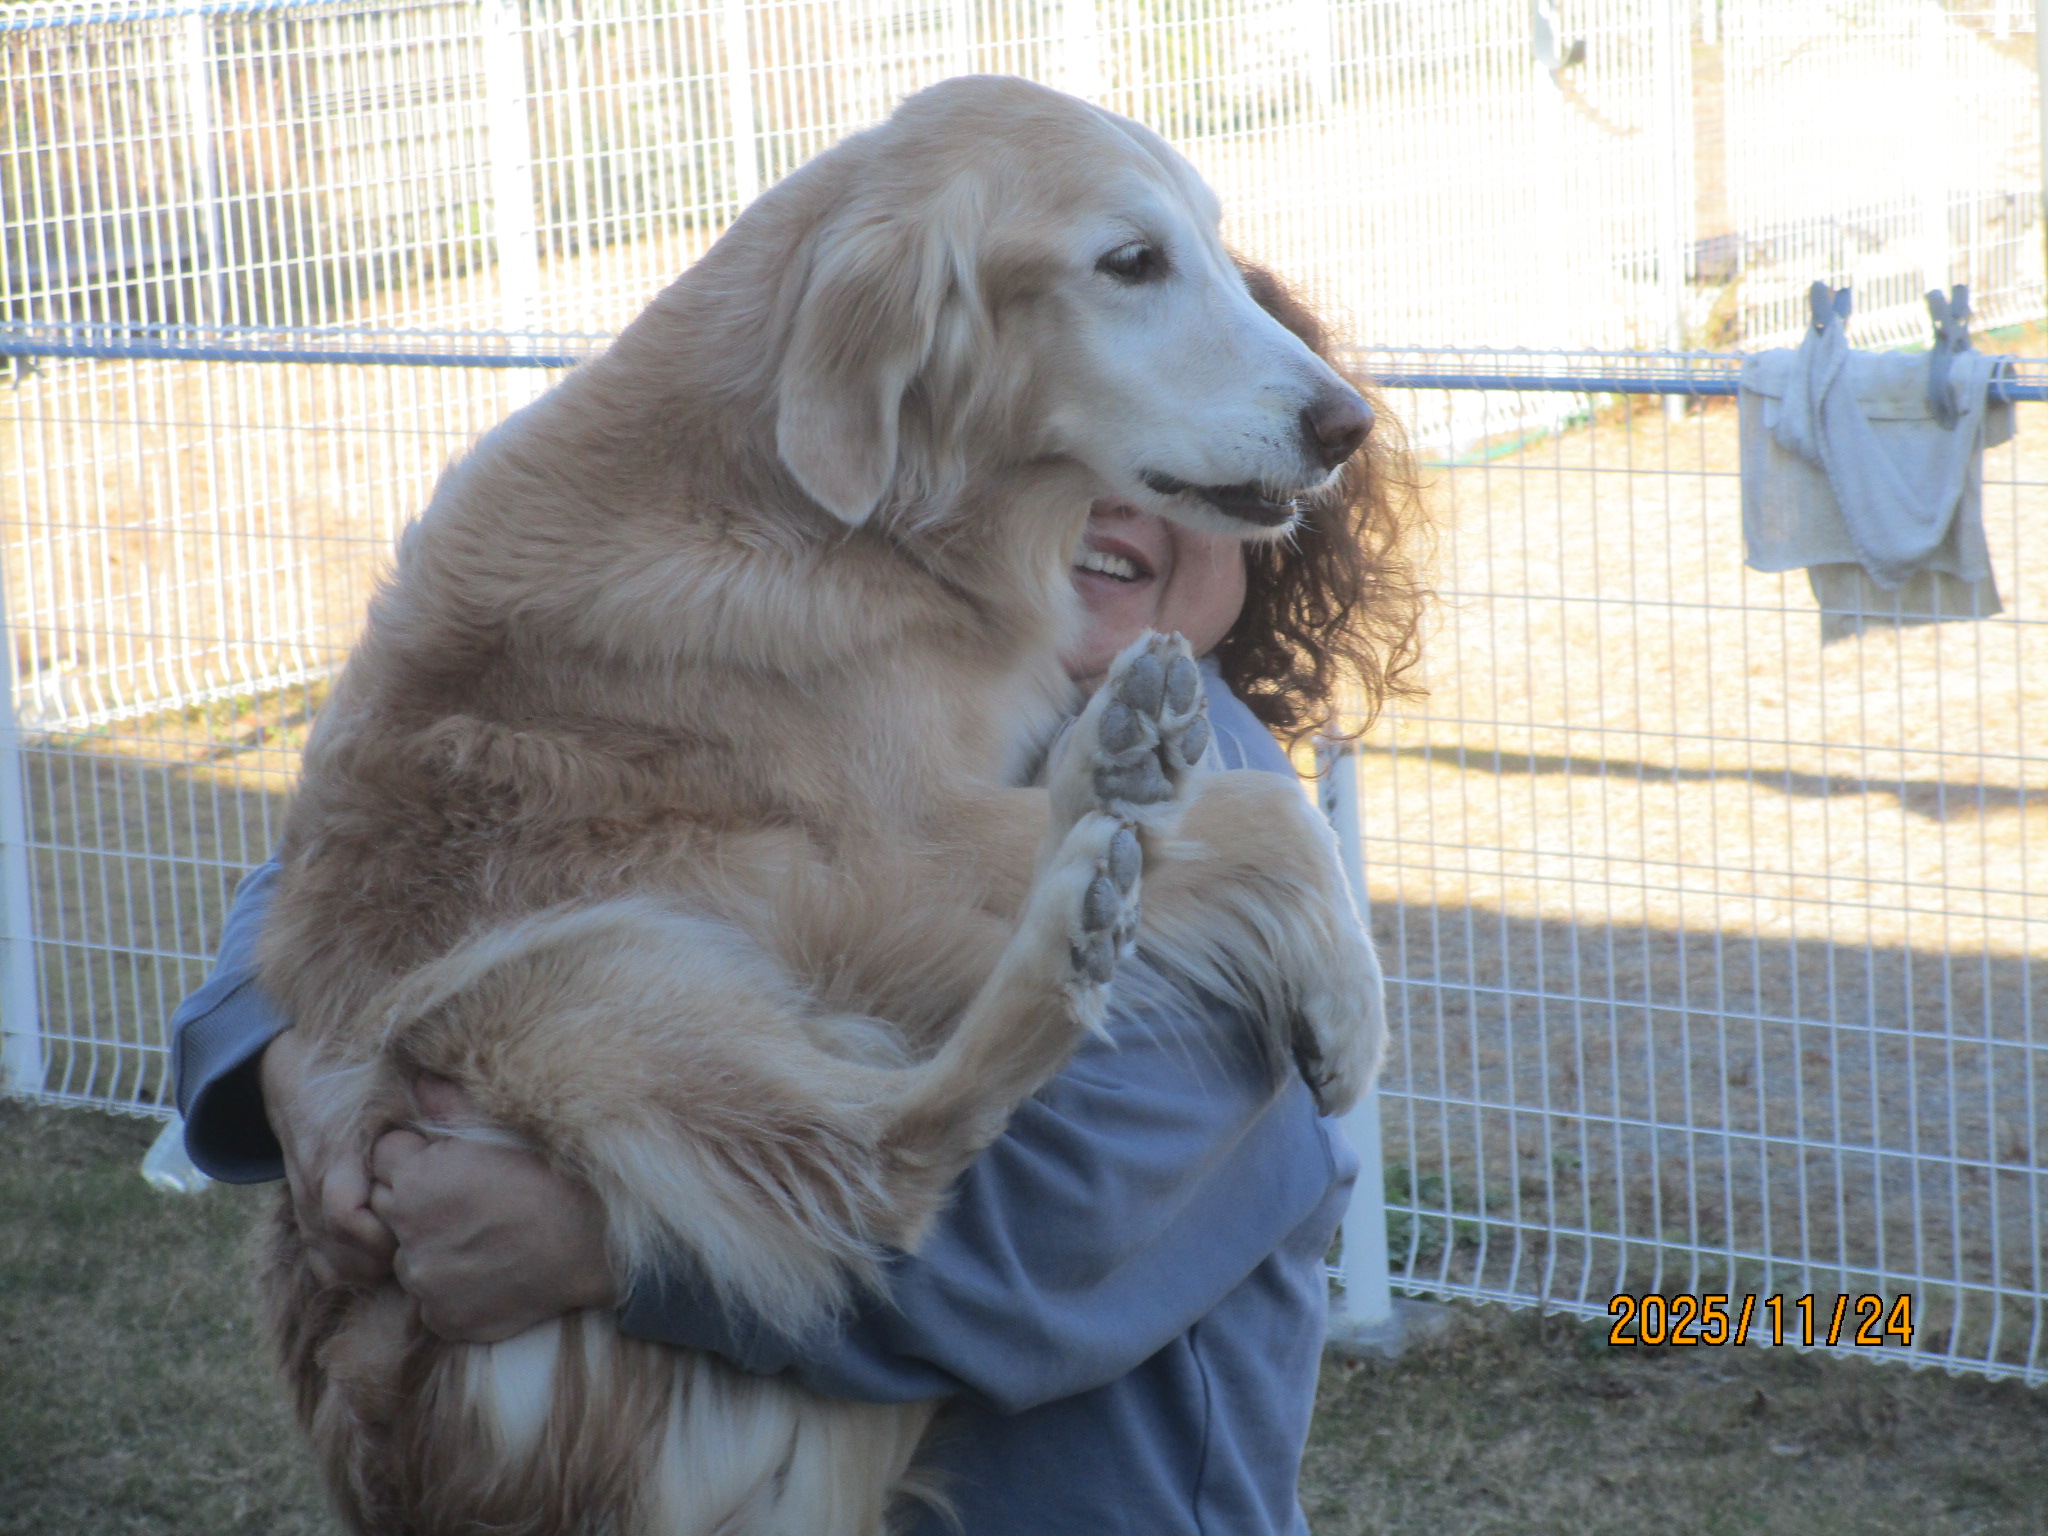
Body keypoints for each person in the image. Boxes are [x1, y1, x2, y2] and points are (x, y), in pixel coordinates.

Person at [172, 269, 1426, 1535]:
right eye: (1064, 426)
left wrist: (600, 1246)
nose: (1108, 488)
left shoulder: (1237, 859)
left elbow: (1043, 1254)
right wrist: (286, 1055)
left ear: (1272, 511)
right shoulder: (811, 701)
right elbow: (394, 838)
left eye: (1180, 445)